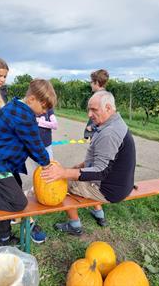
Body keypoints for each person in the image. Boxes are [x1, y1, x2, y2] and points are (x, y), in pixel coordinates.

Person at [0, 79, 57, 247]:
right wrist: (48, 164)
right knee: (18, 202)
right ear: (32, 99)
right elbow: (35, 146)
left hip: (3, 162)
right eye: (43, 107)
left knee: (8, 196)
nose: (44, 113)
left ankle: (4, 240)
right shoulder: (23, 115)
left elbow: (26, 143)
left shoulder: (16, 107)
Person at [41, 91, 136, 235]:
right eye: (89, 109)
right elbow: (104, 159)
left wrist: (64, 173)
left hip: (109, 191)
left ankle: (75, 225)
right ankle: (99, 215)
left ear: (108, 108)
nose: (89, 115)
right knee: (73, 175)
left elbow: (100, 171)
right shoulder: (115, 122)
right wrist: (80, 166)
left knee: (61, 184)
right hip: (121, 185)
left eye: (94, 110)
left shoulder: (109, 133)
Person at [84, 69, 109, 139]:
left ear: (97, 82)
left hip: (99, 134)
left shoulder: (99, 98)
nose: (90, 84)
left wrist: (92, 126)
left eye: (91, 81)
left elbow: (104, 118)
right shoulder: (105, 96)